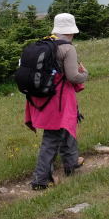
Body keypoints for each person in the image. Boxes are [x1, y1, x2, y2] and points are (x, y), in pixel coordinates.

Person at [26, 13, 89, 190]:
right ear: (71, 31)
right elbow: (73, 76)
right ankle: (40, 179)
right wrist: (85, 74)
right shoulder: (67, 49)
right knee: (52, 137)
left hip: (41, 96)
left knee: (65, 128)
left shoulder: (44, 43)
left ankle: (71, 163)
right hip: (58, 99)